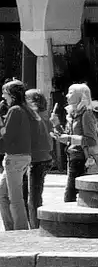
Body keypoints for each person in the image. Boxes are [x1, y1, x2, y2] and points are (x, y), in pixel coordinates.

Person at [61, 84, 98, 203]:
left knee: (70, 193)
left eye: (71, 92)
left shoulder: (86, 114)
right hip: (72, 156)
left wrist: (70, 138)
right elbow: (67, 136)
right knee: (73, 192)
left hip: (82, 157)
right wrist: (56, 127)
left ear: (81, 96)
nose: (67, 95)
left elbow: (91, 140)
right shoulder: (72, 114)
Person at [0, 82, 32, 232]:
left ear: (11, 94)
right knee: (3, 194)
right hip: (21, 156)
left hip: (14, 157)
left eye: (4, 93)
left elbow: (7, 136)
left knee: (15, 198)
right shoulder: (24, 109)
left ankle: (19, 231)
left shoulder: (15, 110)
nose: (3, 96)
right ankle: (11, 228)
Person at [23, 89, 55, 227]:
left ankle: (35, 226)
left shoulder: (34, 115)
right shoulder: (45, 115)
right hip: (44, 157)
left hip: (36, 158)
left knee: (33, 197)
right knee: (35, 195)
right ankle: (35, 224)